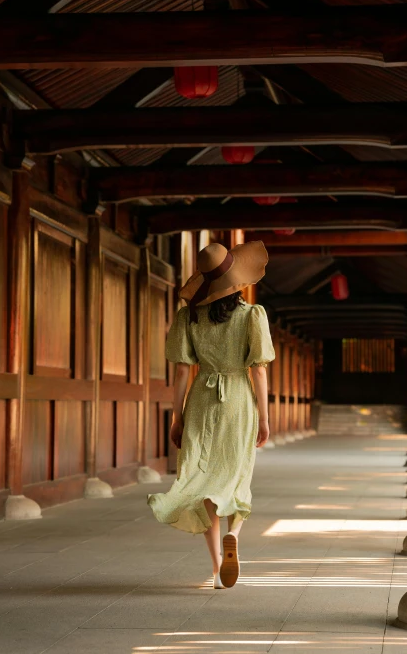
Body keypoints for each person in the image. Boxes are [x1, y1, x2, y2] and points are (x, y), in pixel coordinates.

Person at [148, 240, 275, 589]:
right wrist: (264, 418)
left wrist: (176, 418)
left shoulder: (188, 318)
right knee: (236, 474)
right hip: (237, 399)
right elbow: (259, 370)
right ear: (236, 281)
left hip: (201, 398)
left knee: (204, 481)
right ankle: (235, 531)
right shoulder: (252, 315)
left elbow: (179, 372)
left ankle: (218, 569)